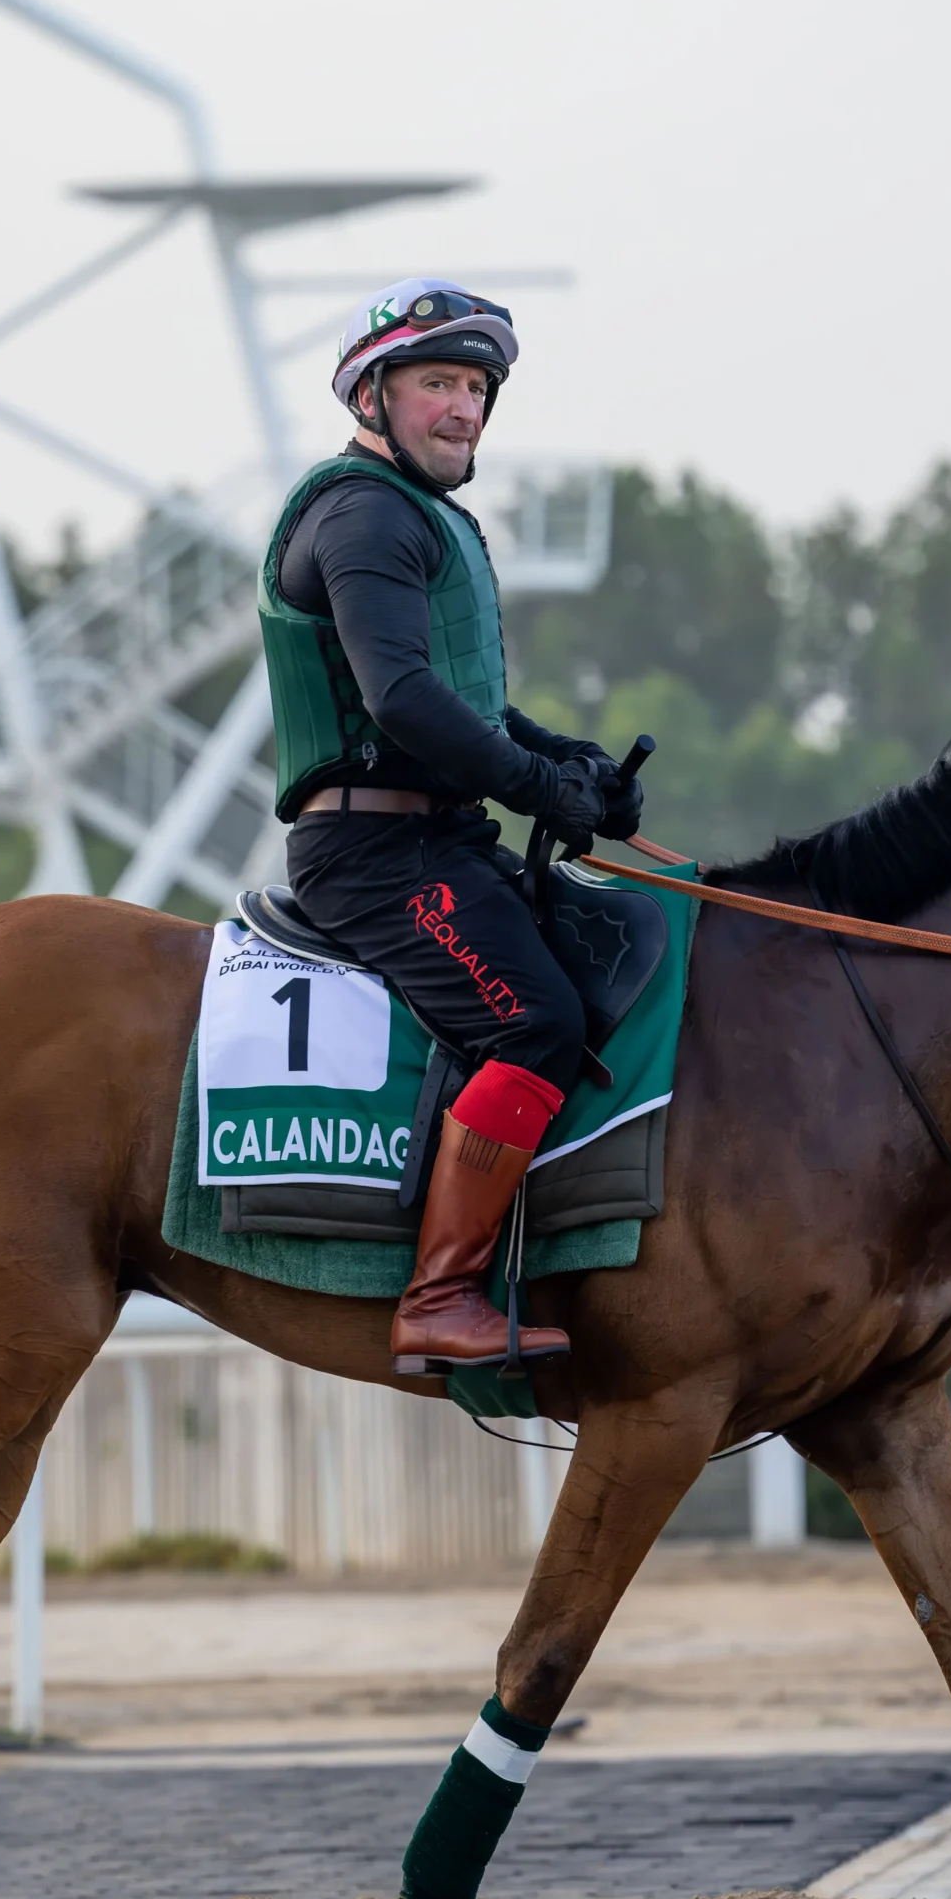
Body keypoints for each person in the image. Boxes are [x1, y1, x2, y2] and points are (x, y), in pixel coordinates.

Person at [257, 280, 642, 1370]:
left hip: (433, 837)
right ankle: (439, 1294)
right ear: (371, 396)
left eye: (476, 387)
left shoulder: (417, 515)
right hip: (375, 856)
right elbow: (403, 703)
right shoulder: (363, 511)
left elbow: (465, 707)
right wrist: (529, 783)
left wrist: (574, 767)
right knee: (535, 1023)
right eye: (438, 382)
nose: (463, 407)